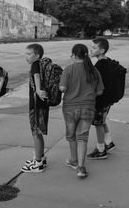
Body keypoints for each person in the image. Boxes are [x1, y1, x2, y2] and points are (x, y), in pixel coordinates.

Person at [59, 44, 104, 178]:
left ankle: (73, 160)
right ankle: (81, 167)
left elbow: (62, 88)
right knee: (83, 138)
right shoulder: (94, 70)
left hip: (70, 108)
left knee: (72, 136)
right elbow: (100, 91)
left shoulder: (68, 69)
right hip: (88, 107)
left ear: (73, 55)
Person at [21, 44, 49, 173]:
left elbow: (36, 76)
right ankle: (41, 157)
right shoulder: (42, 64)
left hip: (37, 104)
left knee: (36, 133)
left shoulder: (35, 64)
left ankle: (38, 164)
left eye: (28, 54)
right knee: (38, 132)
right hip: (42, 104)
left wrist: (38, 89)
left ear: (37, 55)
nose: (26, 56)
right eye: (25, 54)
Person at [87, 38, 116, 159]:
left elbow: (95, 84)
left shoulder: (99, 65)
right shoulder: (107, 61)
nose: (91, 50)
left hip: (100, 100)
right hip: (107, 99)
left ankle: (101, 150)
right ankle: (109, 143)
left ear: (102, 50)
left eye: (94, 48)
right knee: (103, 121)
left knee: (98, 124)